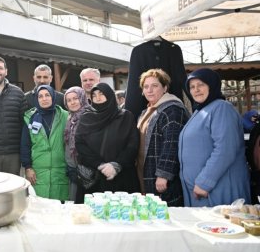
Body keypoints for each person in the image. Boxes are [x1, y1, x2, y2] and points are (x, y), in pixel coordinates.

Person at [179, 68, 251, 207]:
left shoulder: (221, 108)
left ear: (211, 85)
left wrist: (204, 183)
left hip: (217, 189)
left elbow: (225, 149)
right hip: (201, 193)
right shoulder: (200, 111)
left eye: (201, 85)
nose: (196, 90)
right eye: (192, 87)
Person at [75, 83, 139, 202]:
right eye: (94, 95)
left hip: (122, 176)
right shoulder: (86, 117)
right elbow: (80, 145)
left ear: (110, 96)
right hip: (94, 178)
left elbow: (132, 145)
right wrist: (99, 164)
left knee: (122, 215)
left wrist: (116, 165)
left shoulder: (125, 117)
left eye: (102, 94)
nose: (98, 98)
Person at [136, 69, 188, 206]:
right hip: (145, 172)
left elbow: (172, 143)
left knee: (165, 213)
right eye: (146, 87)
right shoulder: (146, 111)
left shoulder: (173, 110)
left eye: (155, 86)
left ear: (165, 88)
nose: (150, 90)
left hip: (161, 177)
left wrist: (164, 175)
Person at [21, 85, 69, 200]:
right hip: (38, 171)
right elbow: (25, 145)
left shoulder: (65, 116)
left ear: (53, 97)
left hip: (61, 171)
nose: (44, 99)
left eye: (47, 95)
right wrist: (28, 167)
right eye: (40, 96)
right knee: (39, 209)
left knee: (60, 209)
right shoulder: (29, 118)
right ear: (36, 99)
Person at [63, 86, 90, 202]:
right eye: (69, 100)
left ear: (82, 98)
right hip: (73, 168)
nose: (72, 102)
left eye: (75, 98)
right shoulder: (70, 118)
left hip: (86, 169)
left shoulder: (90, 116)